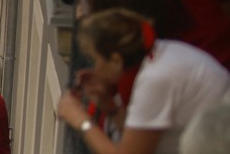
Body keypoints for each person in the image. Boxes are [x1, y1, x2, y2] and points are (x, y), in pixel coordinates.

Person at [56, 9, 230, 154]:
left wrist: (80, 120)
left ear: (116, 60)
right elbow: (139, 138)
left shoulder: (155, 79)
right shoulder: (160, 56)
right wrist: (109, 107)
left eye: (96, 59)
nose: (95, 68)